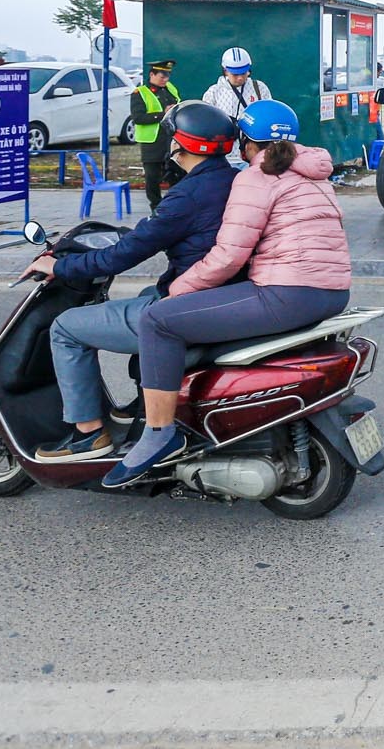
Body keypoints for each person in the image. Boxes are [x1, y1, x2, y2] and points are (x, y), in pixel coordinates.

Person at [103, 99, 353, 487]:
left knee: (157, 321)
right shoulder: (313, 173)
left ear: (245, 143)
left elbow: (226, 257)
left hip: (286, 293)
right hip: (333, 292)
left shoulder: (255, 178)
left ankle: (158, 434)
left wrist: (177, 291)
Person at [26, 101, 241, 461]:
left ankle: (88, 434)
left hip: (189, 304)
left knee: (65, 328)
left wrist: (59, 267)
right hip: (220, 295)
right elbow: (156, 232)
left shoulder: (186, 196)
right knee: (145, 292)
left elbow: (121, 256)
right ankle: (145, 399)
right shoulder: (233, 180)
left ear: (180, 144)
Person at [201, 46, 272, 166]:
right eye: (235, 74)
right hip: (223, 157)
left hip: (255, 156)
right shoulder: (214, 92)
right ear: (225, 71)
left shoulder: (259, 88)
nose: (240, 78)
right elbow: (206, 123)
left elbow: (270, 116)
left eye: (243, 73)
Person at [130, 59, 180, 210]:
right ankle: (156, 208)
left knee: (176, 174)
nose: (165, 79)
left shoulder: (170, 88)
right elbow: (138, 118)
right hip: (152, 142)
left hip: (170, 139)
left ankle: (175, 205)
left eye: (167, 76)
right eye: (162, 76)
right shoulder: (140, 93)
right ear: (152, 74)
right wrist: (162, 114)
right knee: (152, 178)